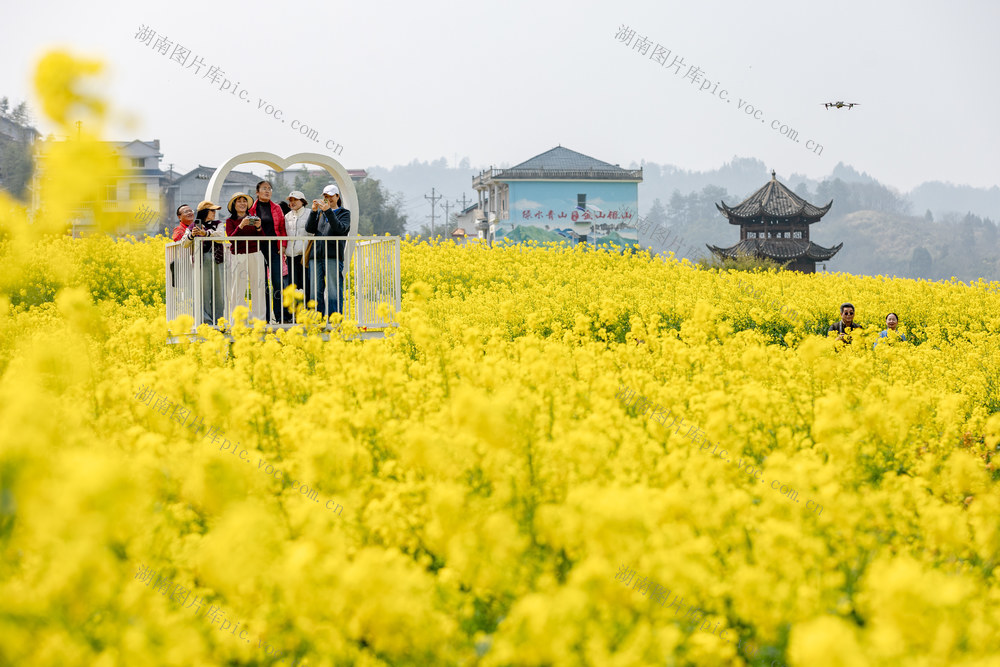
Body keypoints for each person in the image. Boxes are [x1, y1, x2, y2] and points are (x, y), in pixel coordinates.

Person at [306, 183, 351, 318]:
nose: (328, 199)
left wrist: (328, 212)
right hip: (316, 255)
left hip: (333, 255)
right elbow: (309, 228)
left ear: (337, 196)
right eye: (325, 196)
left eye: (331, 196)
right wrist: (313, 212)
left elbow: (340, 229)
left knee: (333, 289)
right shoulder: (320, 213)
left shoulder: (344, 213)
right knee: (315, 290)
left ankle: (334, 319)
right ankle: (316, 319)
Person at [248, 181, 289, 324]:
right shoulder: (251, 209)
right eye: (264, 188)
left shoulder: (277, 208)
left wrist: (283, 245)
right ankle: (264, 317)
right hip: (258, 249)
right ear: (257, 192)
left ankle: (280, 316)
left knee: (277, 283)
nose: (267, 191)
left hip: (274, 248)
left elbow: (282, 228)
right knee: (262, 284)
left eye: (269, 189)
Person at [181, 200, 227, 325]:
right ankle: (206, 321)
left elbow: (221, 237)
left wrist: (205, 233)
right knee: (204, 292)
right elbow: (184, 243)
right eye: (212, 210)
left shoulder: (218, 224)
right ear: (204, 212)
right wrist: (192, 235)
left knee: (219, 292)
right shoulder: (193, 226)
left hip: (217, 260)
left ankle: (219, 320)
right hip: (201, 261)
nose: (214, 213)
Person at [225, 192, 266, 322]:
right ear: (234, 205)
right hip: (238, 255)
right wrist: (241, 225)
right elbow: (231, 238)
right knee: (238, 287)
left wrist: (258, 227)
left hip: (255, 253)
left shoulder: (254, 218)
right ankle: (237, 320)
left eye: (244, 201)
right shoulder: (230, 221)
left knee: (258, 287)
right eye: (239, 201)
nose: (242, 204)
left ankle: (259, 320)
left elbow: (262, 238)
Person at [282, 190, 312, 317]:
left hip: (305, 254)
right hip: (291, 255)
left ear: (302, 201)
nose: (292, 202)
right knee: (292, 285)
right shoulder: (287, 216)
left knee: (306, 284)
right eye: (291, 200)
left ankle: (308, 313)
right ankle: (294, 314)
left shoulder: (310, 213)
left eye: (295, 200)